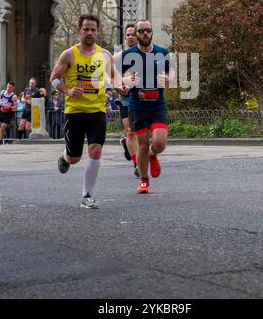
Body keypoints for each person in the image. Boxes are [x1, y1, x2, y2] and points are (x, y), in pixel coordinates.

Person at [50, 14, 125, 209]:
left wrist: (121, 86)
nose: (90, 33)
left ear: (97, 31)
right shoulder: (69, 54)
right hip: (74, 111)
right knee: (75, 158)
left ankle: (87, 194)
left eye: (93, 29)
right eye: (86, 29)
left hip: (96, 111)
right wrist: (67, 90)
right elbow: (54, 78)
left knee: (96, 150)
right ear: (79, 31)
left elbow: (113, 77)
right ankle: (66, 156)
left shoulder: (105, 55)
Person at [121, 19, 174, 194]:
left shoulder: (162, 52)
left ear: (152, 33)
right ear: (136, 34)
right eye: (141, 30)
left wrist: (168, 79)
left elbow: (171, 73)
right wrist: (127, 81)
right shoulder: (129, 55)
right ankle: (144, 181)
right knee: (142, 145)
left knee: (159, 143)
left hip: (157, 105)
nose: (145, 33)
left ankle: (153, 155)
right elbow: (114, 77)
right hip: (137, 107)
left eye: (148, 30)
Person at [113, 23, 139, 176]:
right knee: (130, 132)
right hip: (125, 98)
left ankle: (126, 145)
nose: (130, 37)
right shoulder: (119, 57)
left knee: (141, 133)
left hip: (142, 98)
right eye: (128, 34)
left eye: (133, 34)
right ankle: (136, 164)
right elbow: (112, 78)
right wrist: (119, 86)